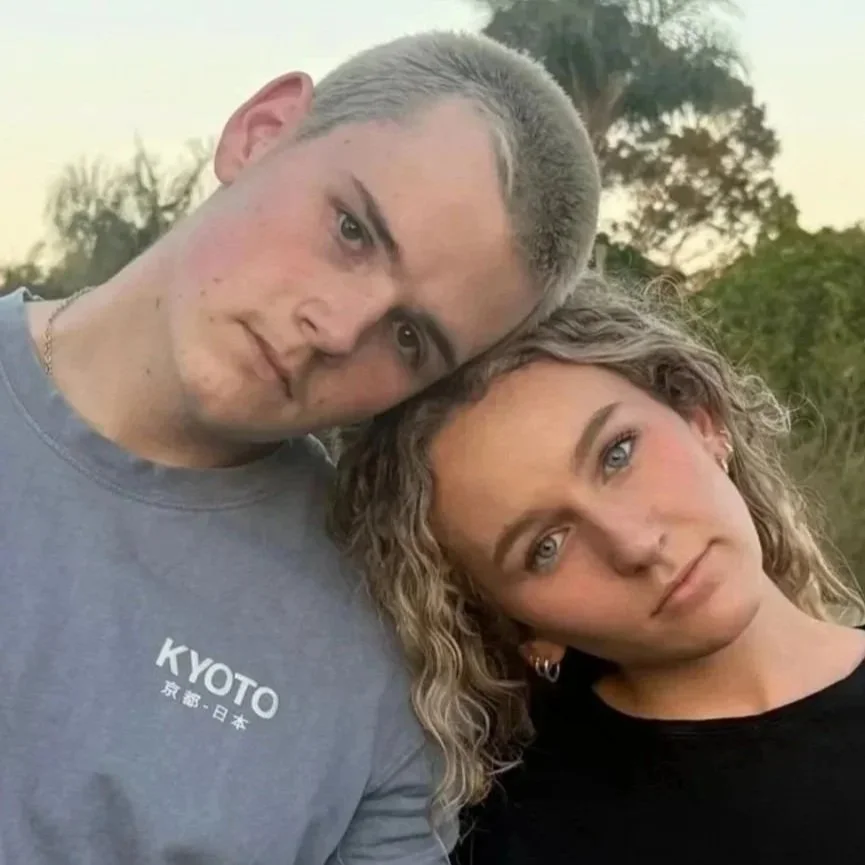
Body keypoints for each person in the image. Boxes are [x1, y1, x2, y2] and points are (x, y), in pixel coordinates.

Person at [0, 31, 601, 864]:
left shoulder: (382, 668)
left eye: (408, 335)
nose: (337, 326)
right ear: (261, 130)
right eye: (353, 228)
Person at [333, 278, 865, 865]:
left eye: (618, 454)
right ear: (514, 623)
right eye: (545, 548)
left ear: (702, 419)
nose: (634, 544)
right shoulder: (519, 839)